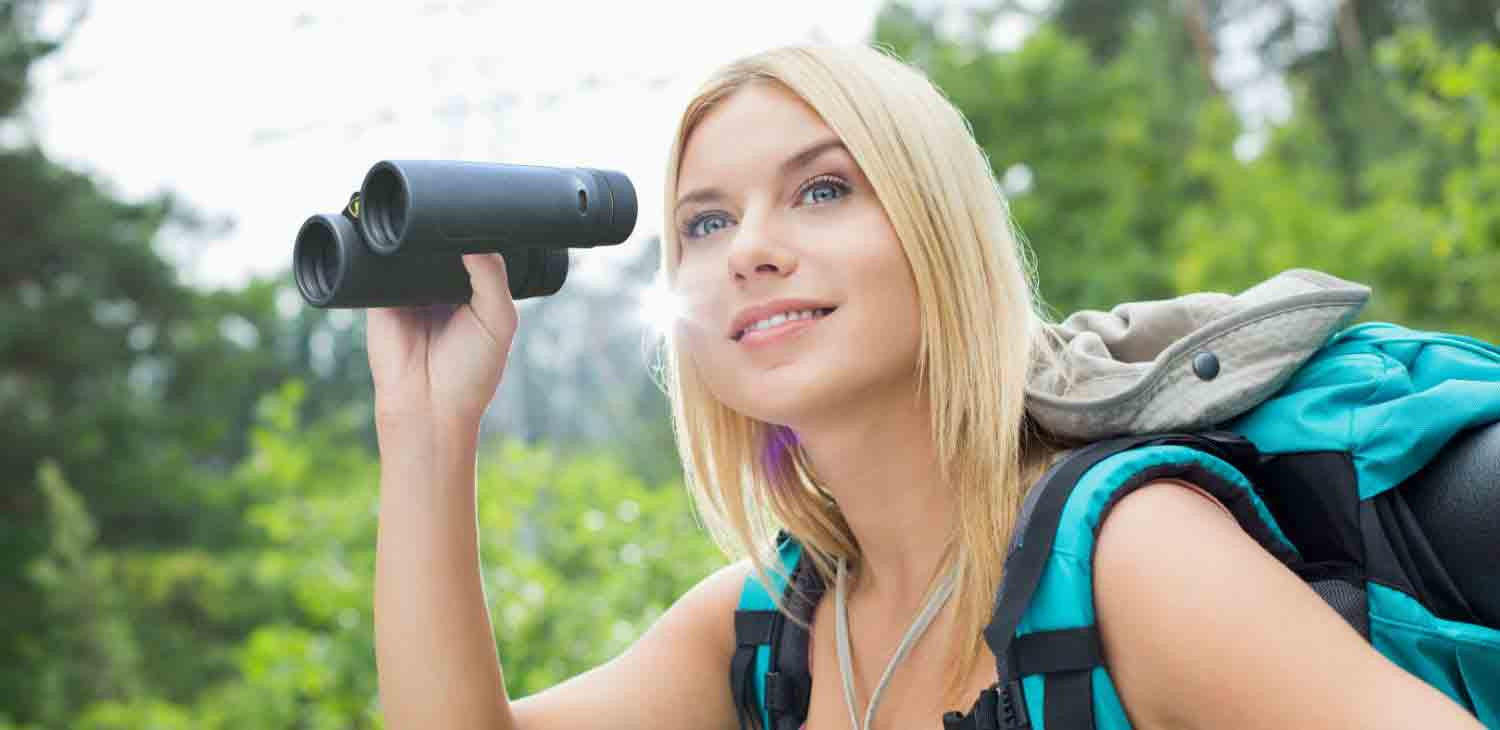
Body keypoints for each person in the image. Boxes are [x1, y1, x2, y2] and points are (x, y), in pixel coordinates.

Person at [363, 43, 1485, 730]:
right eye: (706, 220)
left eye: (821, 191)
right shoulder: (768, 628)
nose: (749, 246)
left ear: (941, 235)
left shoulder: (1132, 565)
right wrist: (424, 426)